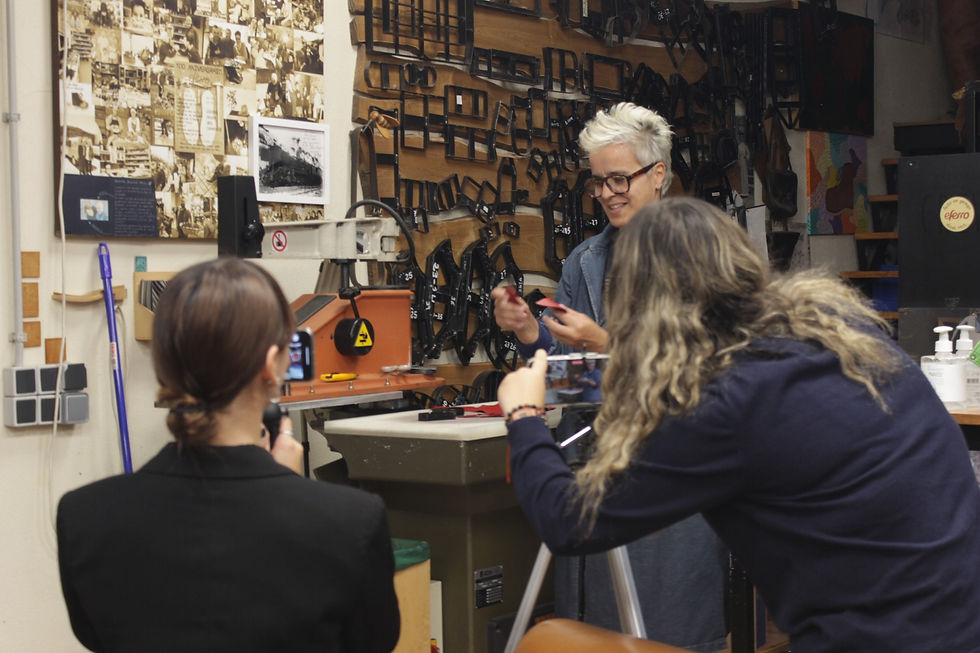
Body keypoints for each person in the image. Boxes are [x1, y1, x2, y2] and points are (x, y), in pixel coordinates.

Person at [498, 197, 980, 652]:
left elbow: (569, 523)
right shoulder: (841, 335)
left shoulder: (724, 403)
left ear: (640, 305)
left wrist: (524, 416)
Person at [57, 258, 401, 653]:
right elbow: (373, 642)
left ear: (164, 364)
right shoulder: (350, 521)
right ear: (271, 365)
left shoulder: (85, 516)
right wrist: (290, 491)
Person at [490, 103, 728, 652]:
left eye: (620, 178)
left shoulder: (701, 254)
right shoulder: (584, 262)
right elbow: (574, 381)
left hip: (676, 471)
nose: (609, 192)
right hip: (598, 465)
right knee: (598, 636)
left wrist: (604, 342)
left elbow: (707, 371)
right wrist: (532, 336)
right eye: (598, 182)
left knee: (672, 634)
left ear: (659, 173)